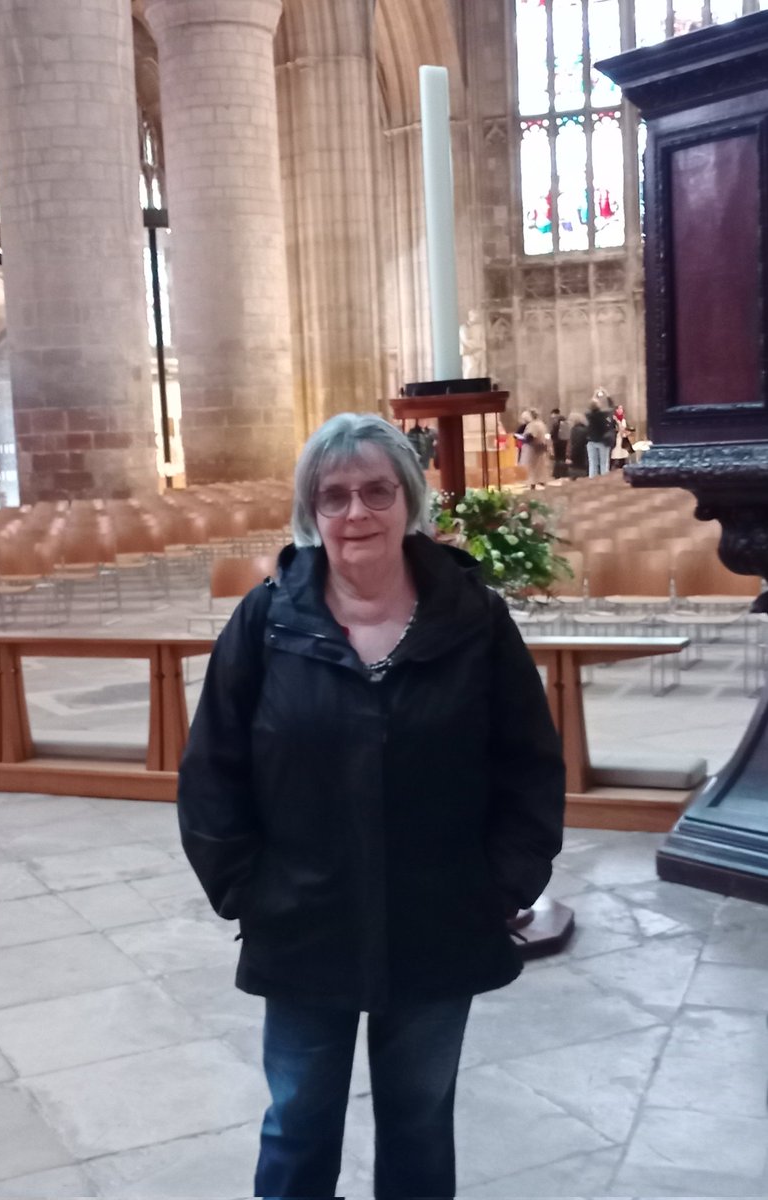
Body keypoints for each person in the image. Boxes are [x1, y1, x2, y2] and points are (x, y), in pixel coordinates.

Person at [177, 412, 565, 1200]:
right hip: (303, 921)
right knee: (297, 1118)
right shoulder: (267, 620)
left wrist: (498, 888)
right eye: (336, 496)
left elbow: (530, 766)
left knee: (420, 1119)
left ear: (409, 500)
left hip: (440, 919)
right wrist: (248, 890)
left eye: (378, 492)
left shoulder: (473, 617)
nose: (357, 513)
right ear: (311, 513)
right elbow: (211, 770)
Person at [519, 407, 550, 489]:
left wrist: (522, 438)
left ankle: (532, 484)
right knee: (540, 467)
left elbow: (530, 436)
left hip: (532, 449)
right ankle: (542, 482)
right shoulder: (541, 423)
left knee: (531, 467)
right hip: (540, 447)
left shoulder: (533, 425)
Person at [585, 394, 613, 476]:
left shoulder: (588, 415)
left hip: (591, 441)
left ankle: (592, 481)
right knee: (604, 464)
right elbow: (612, 408)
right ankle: (604, 481)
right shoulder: (604, 414)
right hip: (602, 441)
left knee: (593, 464)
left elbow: (591, 405)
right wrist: (607, 395)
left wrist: (594, 395)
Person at [566, 410, 589, 479]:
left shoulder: (576, 430)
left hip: (577, 462)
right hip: (585, 460)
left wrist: (571, 458)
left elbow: (576, 445)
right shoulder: (585, 429)